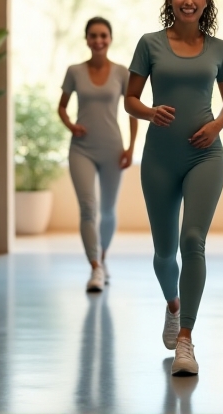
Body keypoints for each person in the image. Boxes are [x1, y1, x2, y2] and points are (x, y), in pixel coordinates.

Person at [124, 0, 223, 376]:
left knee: (194, 241)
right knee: (163, 251)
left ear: (206, 1)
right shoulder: (149, 44)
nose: (188, 0)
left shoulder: (219, 48)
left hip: (204, 156)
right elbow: (130, 99)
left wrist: (216, 126)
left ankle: (186, 340)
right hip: (159, 158)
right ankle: (173, 305)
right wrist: (150, 112)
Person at [59, 17, 138, 292]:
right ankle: (94, 267)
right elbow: (61, 107)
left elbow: (132, 109)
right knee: (88, 208)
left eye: (103, 35)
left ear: (110, 38)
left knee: (107, 211)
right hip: (81, 148)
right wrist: (71, 125)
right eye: (93, 35)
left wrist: (131, 147)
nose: (98, 40)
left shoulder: (121, 73)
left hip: (112, 149)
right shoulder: (74, 71)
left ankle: (102, 258)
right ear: (86, 39)